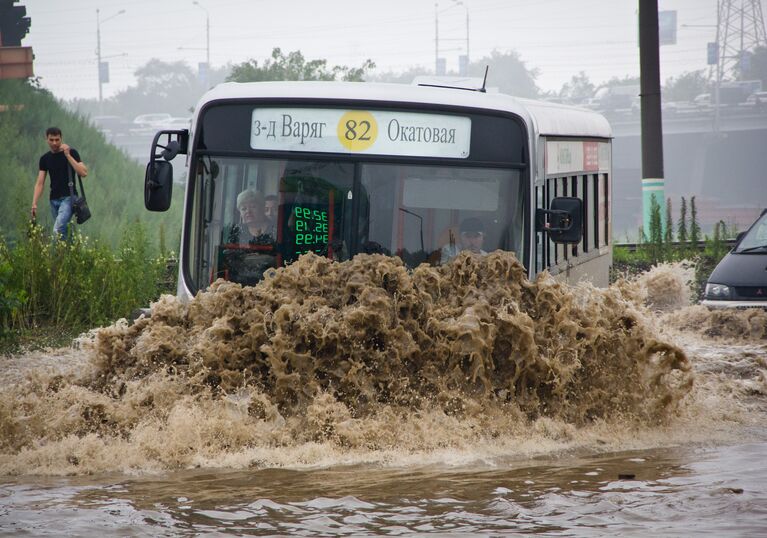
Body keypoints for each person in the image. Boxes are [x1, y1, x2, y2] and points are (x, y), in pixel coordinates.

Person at [31, 127, 89, 239]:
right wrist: (34, 202)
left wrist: (68, 156)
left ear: (61, 138)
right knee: (64, 233)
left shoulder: (72, 152)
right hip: (53, 199)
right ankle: (71, 255)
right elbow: (40, 183)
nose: (54, 143)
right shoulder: (45, 159)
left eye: (57, 140)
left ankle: (53, 256)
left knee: (57, 229)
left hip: (69, 198)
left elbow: (83, 172)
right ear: (46, 139)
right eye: (51, 140)